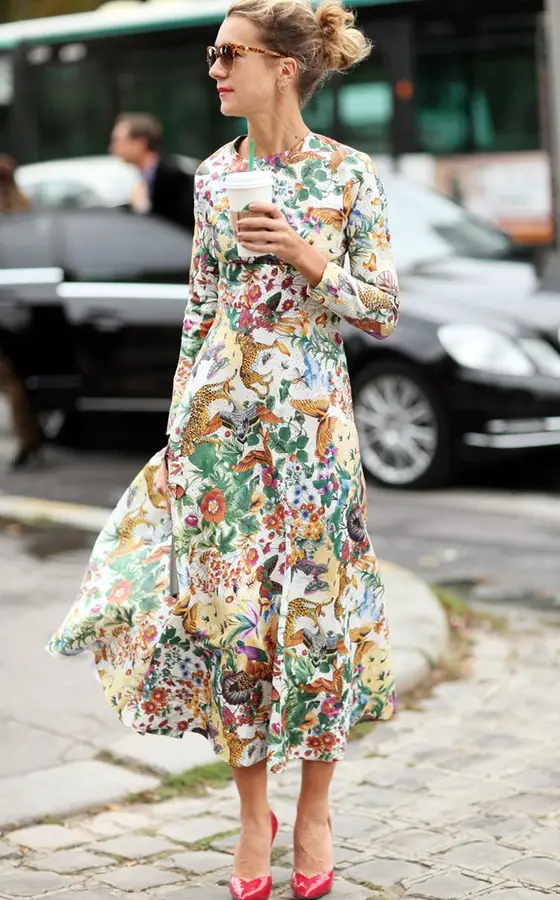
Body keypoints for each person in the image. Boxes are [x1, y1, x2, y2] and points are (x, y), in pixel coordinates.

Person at [48, 2, 400, 899]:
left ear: (283, 67)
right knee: (231, 621)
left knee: (317, 617)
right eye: (214, 52)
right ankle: (252, 816)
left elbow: (383, 310)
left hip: (313, 433)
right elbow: (200, 310)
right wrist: (179, 429)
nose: (214, 68)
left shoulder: (348, 174)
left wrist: (308, 257)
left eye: (229, 54)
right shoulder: (213, 176)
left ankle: (314, 811)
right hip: (220, 435)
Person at [0, 155, 45, 469]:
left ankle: (28, 436)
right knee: (24, 374)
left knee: (10, 377)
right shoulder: (25, 207)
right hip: (28, 299)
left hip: (7, 299)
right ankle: (32, 433)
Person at [109, 113, 194, 231]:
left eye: (118, 140)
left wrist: (143, 208)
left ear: (140, 143)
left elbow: (177, 226)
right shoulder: (143, 179)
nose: (112, 148)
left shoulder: (175, 179)